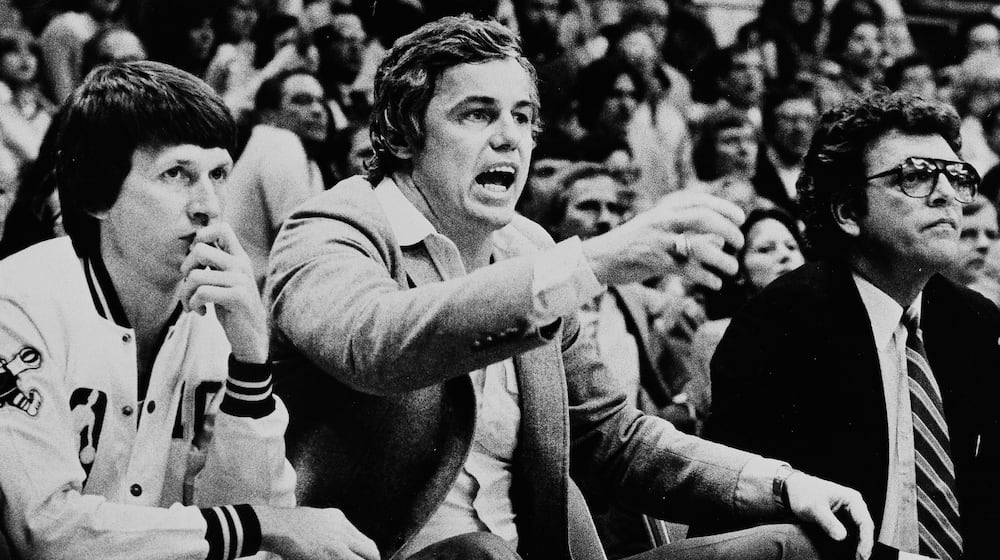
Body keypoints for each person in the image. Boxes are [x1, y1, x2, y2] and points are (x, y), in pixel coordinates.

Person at [267, 16, 874, 560]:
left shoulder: (527, 247)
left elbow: (613, 438)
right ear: (403, 134)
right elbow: (374, 344)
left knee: (806, 543)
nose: (509, 138)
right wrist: (592, 261)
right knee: (478, 555)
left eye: (521, 117)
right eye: (477, 114)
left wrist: (781, 483)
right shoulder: (330, 229)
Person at [0, 60, 378, 560]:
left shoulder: (219, 319)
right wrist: (258, 526)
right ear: (96, 194)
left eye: (218, 174)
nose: (209, 206)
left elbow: (254, 532)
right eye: (176, 173)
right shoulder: (16, 303)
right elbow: (45, 532)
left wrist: (250, 360)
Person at [705, 91, 999, 560]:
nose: (947, 194)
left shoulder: (976, 321)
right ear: (847, 212)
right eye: (916, 176)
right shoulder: (780, 326)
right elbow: (767, 533)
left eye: (957, 176)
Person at [228, 68, 329, 287]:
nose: (317, 110)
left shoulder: (310, 163)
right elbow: (298, 247)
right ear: (269, 116)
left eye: (321, 101)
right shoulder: (278, 141)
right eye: (301, 101)